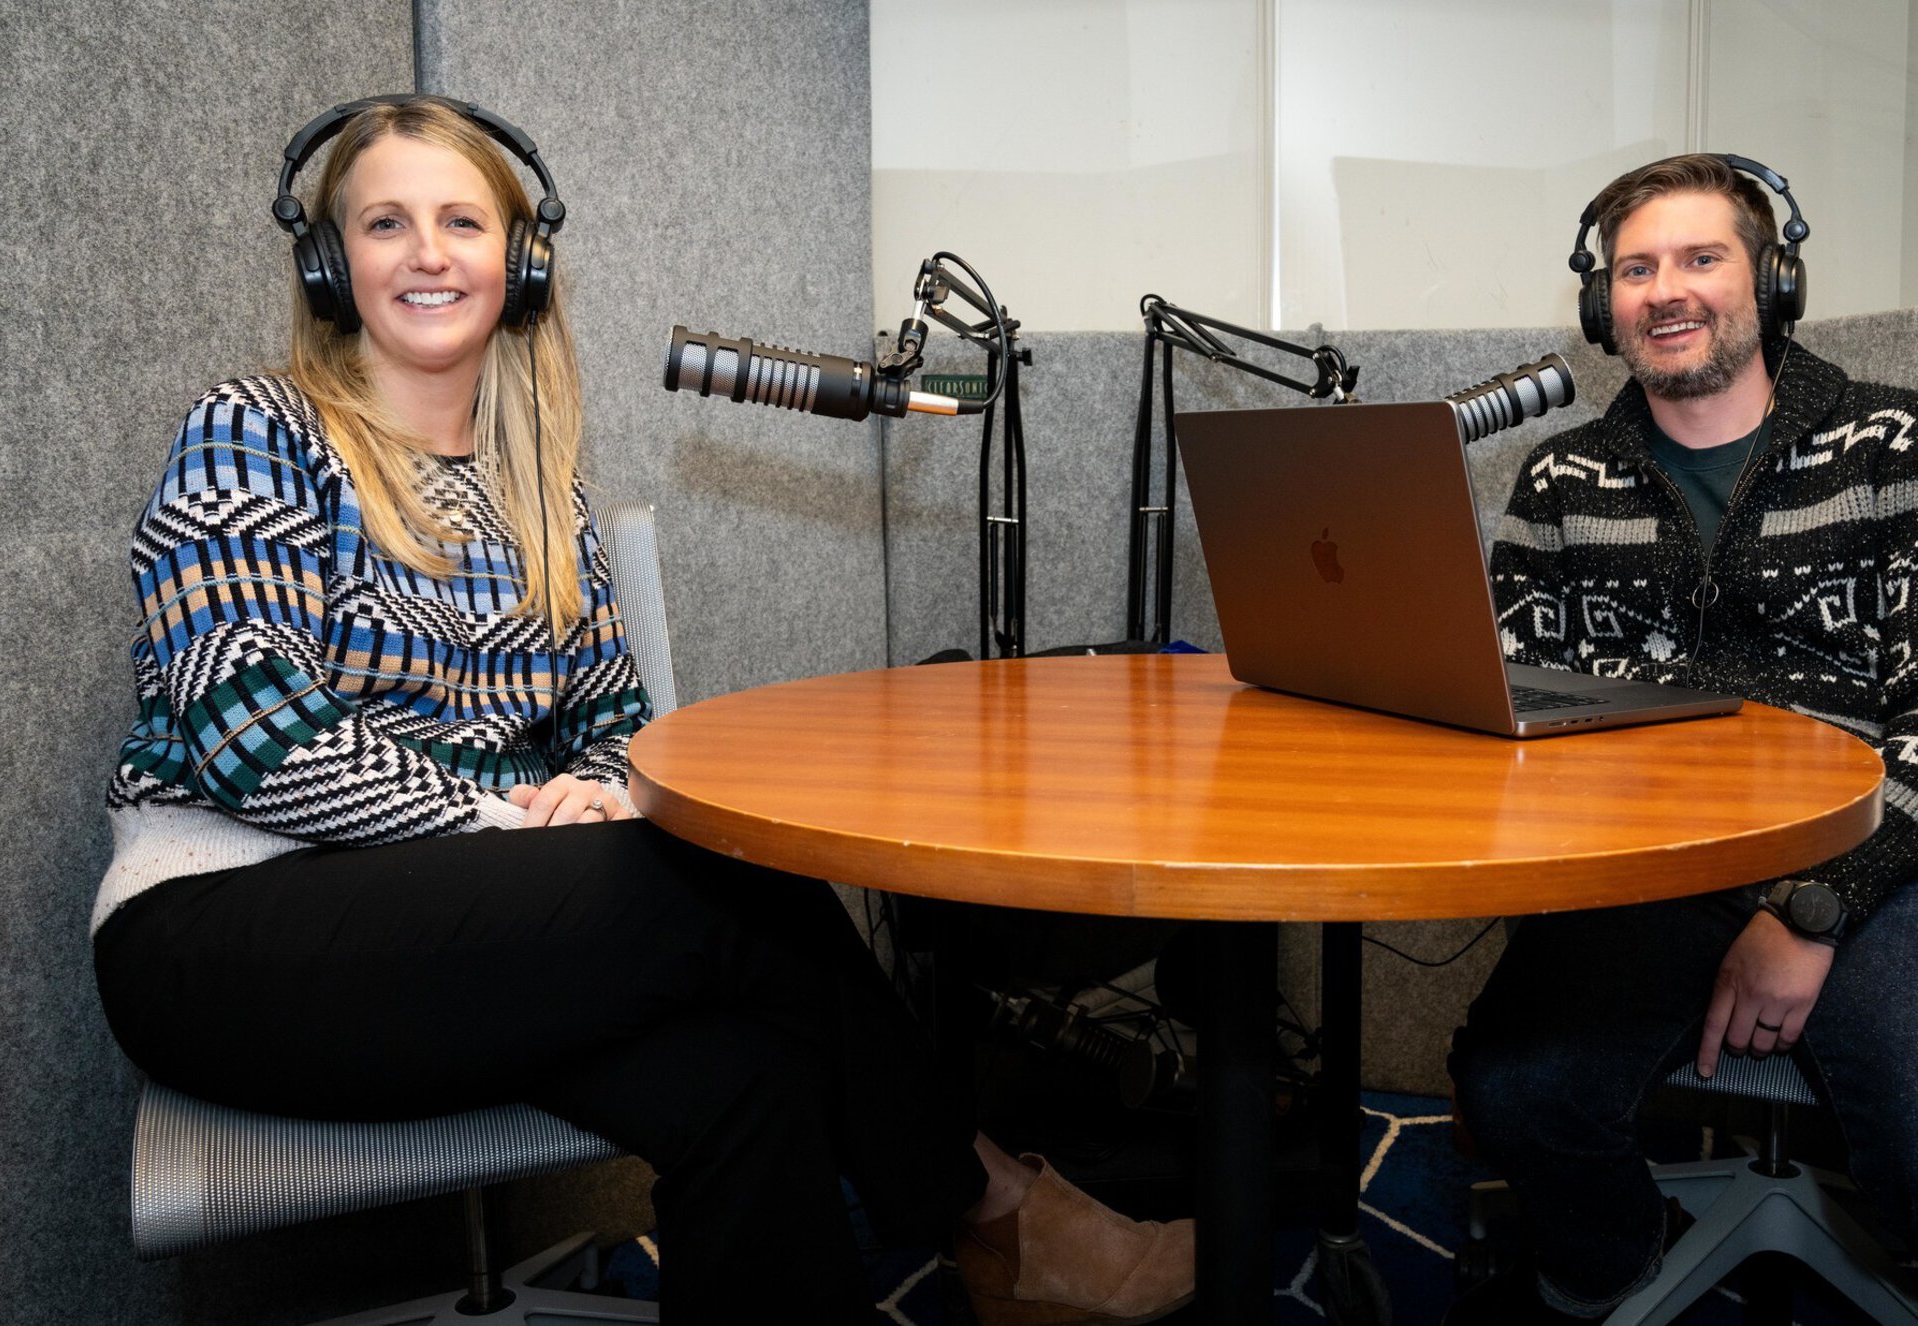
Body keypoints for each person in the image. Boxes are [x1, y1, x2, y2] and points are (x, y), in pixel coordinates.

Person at [89, 94, 1192, 1326]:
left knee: (751, 1084)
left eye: (461, 220)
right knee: (720, 879)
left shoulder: (543, 496)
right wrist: (511, 825)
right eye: (385, 222)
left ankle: (983, 1230)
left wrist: (603, 786)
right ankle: (990, 1211)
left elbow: (613, 709)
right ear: (329, 260)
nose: (428, 252)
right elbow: (253, 737)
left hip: (458, 940)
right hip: (224, 937)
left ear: (522, 260)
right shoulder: (250, 432)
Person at [1444, 154, 1918, 1325]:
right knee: (1512, 1091)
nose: (1664, 290)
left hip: (1886, 865)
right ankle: (1611, 1269)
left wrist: (1812, 906)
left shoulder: (1903, 443)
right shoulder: (1559, 478)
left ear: (1770, 281)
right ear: (1603, 307)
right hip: (1647, 869)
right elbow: (1512, 695)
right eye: (1635, 269)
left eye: (1700, 257)